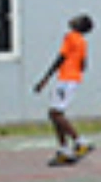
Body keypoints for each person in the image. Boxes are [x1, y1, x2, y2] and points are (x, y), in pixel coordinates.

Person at [35, 13, 95, 165]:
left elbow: (60, 58)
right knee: (55, 114)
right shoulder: (82, 41)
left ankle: (80, 142)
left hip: (66, 79)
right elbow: (83, 65)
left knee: (55, 113)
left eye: (77, 19)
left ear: (79, 25)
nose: (73, 19)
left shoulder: (71, 37)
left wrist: (44, 79)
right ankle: (64, 150)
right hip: (73, 79)